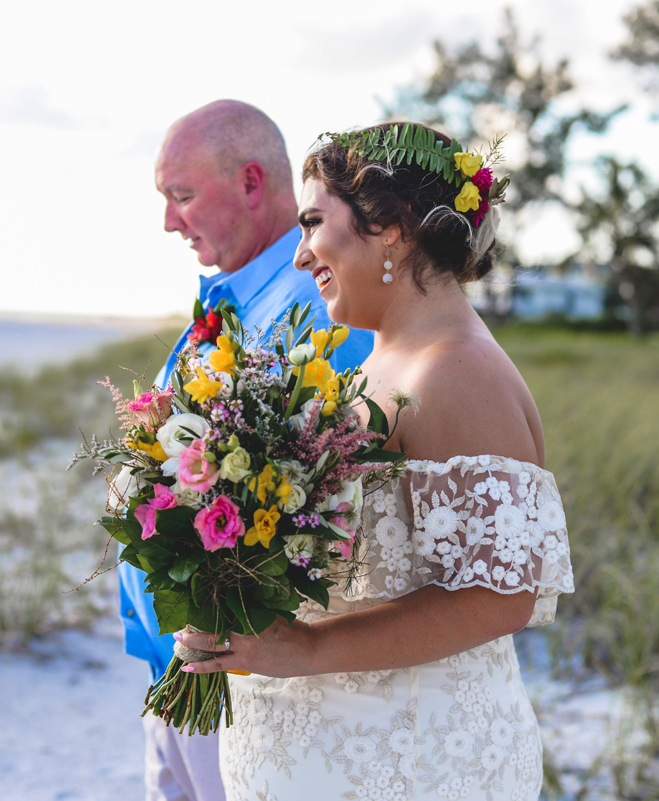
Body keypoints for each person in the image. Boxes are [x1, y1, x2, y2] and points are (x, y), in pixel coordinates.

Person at [175, 122, 575, 801]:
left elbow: (500, 594)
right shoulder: (386, 356)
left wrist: (306, 651)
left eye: (313, 223)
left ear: (391, 225)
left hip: (411, 762)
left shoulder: (457, 371)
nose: (301, 256)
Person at [120, 99, 373, 801]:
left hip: (241, 683)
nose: (170, 220)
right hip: (174, 665)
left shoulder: (318, 307)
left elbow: (325, 495)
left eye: (183, 195)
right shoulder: (229, 298)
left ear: (253, 182)